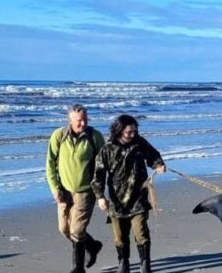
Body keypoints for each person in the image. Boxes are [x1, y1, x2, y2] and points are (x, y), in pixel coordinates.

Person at [92, 114, 166, 273]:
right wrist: (100, 197)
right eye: (129, 132)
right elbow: (98, 174)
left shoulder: (140, 143)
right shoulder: (107, 149)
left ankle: (145, 264)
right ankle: (123, 263)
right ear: (119, 131)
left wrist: (158, 165)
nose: (133, 134)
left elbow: (153, 156)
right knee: (120, 237)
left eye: (135, 131)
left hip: (138, 198)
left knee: (141, 233)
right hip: (116, 201)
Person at [45, 104, 106, 273]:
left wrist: (101, 192)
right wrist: (54, 188)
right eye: (79, 120)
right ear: (70, 120)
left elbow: (104, 165)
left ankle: (78, 268)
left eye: (85, 119)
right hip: (63, 191)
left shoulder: (95, 137)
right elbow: (50, 164)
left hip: (86, 191)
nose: (83, 123)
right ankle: (92, 245)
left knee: (77, 230)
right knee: (64, 229)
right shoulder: (59, 136)